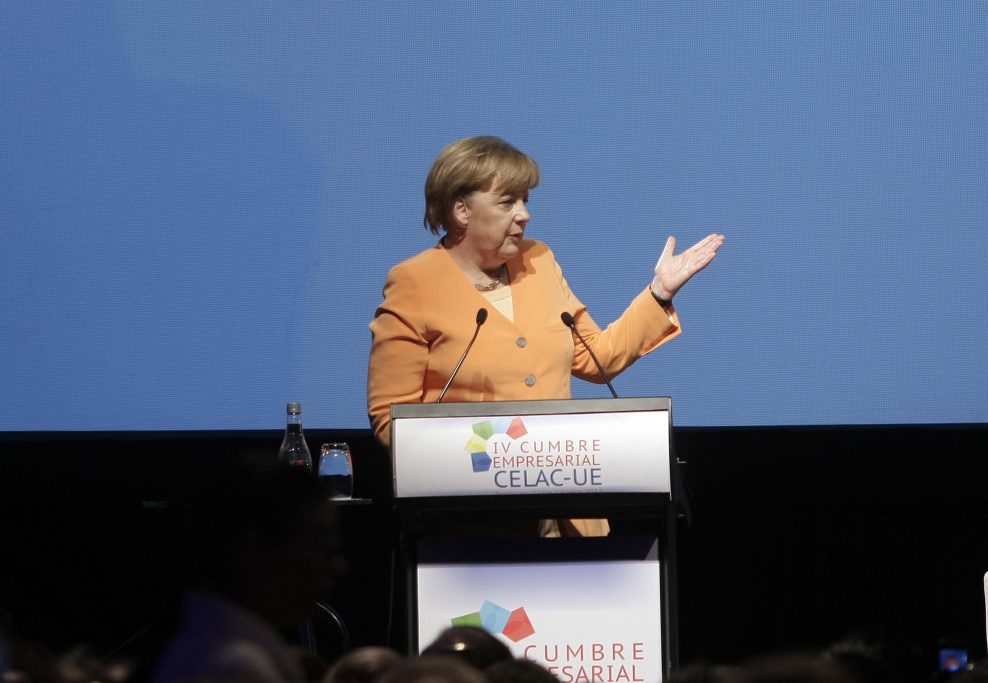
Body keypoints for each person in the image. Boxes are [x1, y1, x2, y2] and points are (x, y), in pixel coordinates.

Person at [367, 136, 724, 535]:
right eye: (507, 202)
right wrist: (477, 457)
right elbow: (389, 419)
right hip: (476, 524)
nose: (524, 215)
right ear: (461, 210)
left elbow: (597, 357)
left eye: (525, 200)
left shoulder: (539, 261)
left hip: (570, 512)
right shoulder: (415, 283)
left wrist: (659, 293)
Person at [150, 463, 346, 683]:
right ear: (253, 549)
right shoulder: (236, 669)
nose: (338, 566)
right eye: (322, 542)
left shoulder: (202, 643)